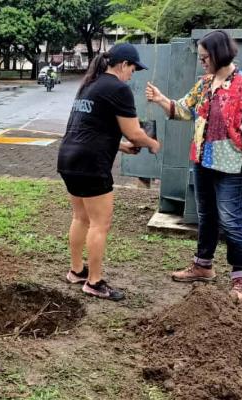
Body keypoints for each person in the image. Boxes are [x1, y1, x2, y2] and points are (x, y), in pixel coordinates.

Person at [145, 30, 242, 302]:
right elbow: (183, 110)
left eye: (204, 57)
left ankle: (240, 279)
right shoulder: (205, 84)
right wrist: (161, 99)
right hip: (203, 160)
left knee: (231, 220)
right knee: (207, 216)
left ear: (218, 54)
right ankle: (203, 266)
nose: (201, 62)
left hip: (233, 164)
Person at [57, 43, 161, 301]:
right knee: (100, 224)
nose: (132, 74)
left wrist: (122, 147)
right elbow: (135, 132)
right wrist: (152, 144)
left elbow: (90, 128)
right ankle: (94, 282)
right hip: (91, 165)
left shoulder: (89, 84)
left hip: (69, 159)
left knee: (80, 217)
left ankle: (76, 270)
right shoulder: (118, 88)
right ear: (123, 64)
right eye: (133, 69)